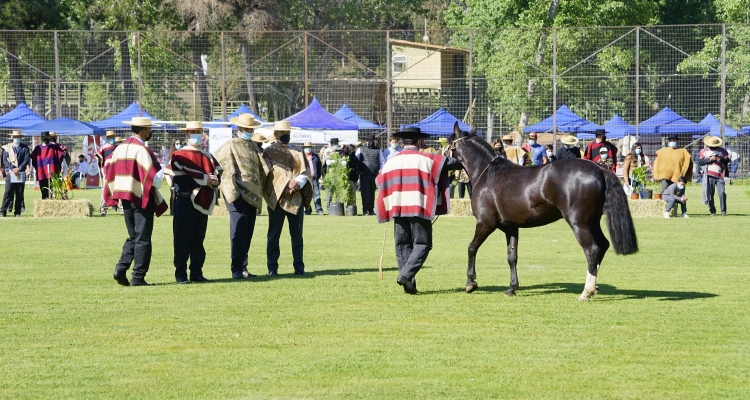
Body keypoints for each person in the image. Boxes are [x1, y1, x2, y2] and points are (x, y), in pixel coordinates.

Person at [375, 127, 463, 294]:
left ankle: (409, 284)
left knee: (402, 245)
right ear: (419, 141)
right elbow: (453, 164)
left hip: (398, 207)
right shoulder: (427, 158)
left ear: (402, 142)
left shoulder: (391, 160)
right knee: (423, 244)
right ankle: (406, 275)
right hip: (419, 206)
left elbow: (379, 180)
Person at [104, 117, 168, 286]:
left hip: (124, 197)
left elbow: (109, 171)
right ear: (143, 131)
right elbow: (154, 178)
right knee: (143, 237)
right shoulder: (141, 149)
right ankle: (138, 277)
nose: (150, 133)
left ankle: (121, 268)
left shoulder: (119, 148)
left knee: (133, 236)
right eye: (149, 130)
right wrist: (160, 182)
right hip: (141, 198)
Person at [168, 121, 221, 284]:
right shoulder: (178, 155)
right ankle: (181, 274)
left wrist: (214, 182)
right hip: (184, 200)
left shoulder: (207, 155)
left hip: (202, 202)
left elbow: (217, 175)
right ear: (186, 134)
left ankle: (197, 272)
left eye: (198, 132)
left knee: (198, 239)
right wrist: (205, 180)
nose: (196, 135)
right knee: (182, 239)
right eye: (192, 132)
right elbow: (178, 178)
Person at [215, 113, 266, 279]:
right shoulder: (230, 145)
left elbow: (259, 168)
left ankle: (243, 267)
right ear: (239, 128)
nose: (249, 131)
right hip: (237, 193)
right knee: (238, 230)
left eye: (251, 129)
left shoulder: (252, 146)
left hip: (252, 194)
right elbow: (217, 161)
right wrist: (231, 186)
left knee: (248, 230)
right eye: (247, 129)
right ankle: (236, 269)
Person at [262, 121, 312, 276]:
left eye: (287, 133)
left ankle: (299, 267)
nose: (285, 136)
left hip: (295, 198)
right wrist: (286, 183)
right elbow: (268, 173)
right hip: (276, 198)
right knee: (274, 235)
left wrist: (298, 182)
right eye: (282, 133)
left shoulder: (297, 152)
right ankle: (272, 268)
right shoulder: (268, 152)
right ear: (275, 134)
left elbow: (305, 172)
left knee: (297, 235)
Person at [697, 135, 730, 216]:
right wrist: (709, 159)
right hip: (708, 175)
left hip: (720, 175)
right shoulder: (703, 151)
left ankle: (723, 211)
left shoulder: (723, 151)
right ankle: (712, 211)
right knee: (710, 193)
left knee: (722, 193)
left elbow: (727, 161)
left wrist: (720, 158)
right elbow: (700, 162)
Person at [1, 130, 31, 218]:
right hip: (10, 173)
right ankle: (3, 211)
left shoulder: (25, 148)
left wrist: (20, 168)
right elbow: (5, 160)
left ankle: (17, 211)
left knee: (19, 193)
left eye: (18, 137)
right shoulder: (7, 148)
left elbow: (27, 159)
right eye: (15, 137)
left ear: (20, 138)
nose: (16, 139)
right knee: (7, 192)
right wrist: (13, 168)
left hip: (20, 173)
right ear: (12, 138)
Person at [30, 131, 66, 199]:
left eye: (47, 137)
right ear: (41, 138)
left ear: (49, 137)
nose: (46, 139)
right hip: (42, 172)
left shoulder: (54, 147)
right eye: (44, 137)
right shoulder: (38, 148)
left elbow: (61, 154)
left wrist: (64, 153)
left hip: (52, 173)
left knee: (53, 190)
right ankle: (44, 202)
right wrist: (37, 168)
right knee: (44, 190)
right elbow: (33, 159)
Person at [95, 131, 119, 216]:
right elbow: (98, 156)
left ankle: (122, 210)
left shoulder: (118, 147)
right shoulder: (104, 148)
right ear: (107, 138)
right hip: (107, 172)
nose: (111, 138)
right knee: (106, 190)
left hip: (117, 172)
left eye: (112, 136)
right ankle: (103, 209)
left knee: (119, 191)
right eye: (110, 137)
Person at [357, 134, 380, 215]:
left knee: (372, 193)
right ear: (366, 141)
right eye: (369, 140)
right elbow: (357, 160)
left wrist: (380, 171)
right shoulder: (360, 149)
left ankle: (371, 209)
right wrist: (359, 170)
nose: (370, 142)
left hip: (374, 174)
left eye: (372, 140)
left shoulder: (378, 150)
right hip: (364, 174)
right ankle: (365, 209)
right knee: (365, 193)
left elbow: (382, 162)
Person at [162, 138, 183, 216]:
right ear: (174, 145)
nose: (179, 145)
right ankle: (172, 211)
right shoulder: (172, 154)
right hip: (172, 175)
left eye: (179, 143)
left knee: (177, 193)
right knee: (173, 193)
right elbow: (168, 166)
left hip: (178, 175)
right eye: (177, 144)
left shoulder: (182, 152)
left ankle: (176, 210)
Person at [302, 141, 324, 216]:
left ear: (311, 148)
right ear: (304, 148)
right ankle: (308, 210)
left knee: (317, 195)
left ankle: (319, 210)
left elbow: (319, 167)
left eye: (309, 147)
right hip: (305, 178)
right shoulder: (301, 156)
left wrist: (317, 176)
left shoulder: (315, 156)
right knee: (305, 196)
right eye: (306, 147)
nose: (308, 149)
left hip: (314, 178)